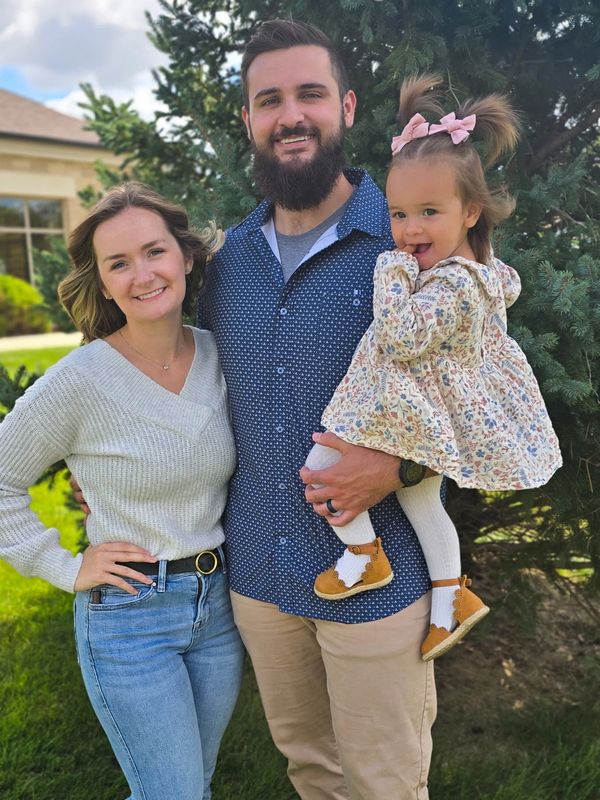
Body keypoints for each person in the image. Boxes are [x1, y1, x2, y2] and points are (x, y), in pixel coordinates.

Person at [199, 19, 436, 800]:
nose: (290, 115)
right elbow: (183, 386)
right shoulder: (227, 262)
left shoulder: (406, 244)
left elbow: (479, 393)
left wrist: (400, 461)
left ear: (347, 106)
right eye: (269, 99)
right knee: (311, 771)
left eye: (310, 94)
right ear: (248, 120)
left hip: (379, 583)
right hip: (260, 577)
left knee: (385, 782)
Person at [0, 183, 245, 800]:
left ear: (186, 258)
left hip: (219, 612)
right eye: (119, 263)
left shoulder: (221, 355)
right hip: (132, 620)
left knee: (194, 785)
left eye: (154, 251)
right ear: (103, 282)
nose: (143, 274)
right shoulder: (80, 381)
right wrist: (62, 564)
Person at [308, 74, 562, 661]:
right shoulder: (465, 273)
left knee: (322, 470)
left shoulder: (452, 283)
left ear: (470, 211)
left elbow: (401, 336)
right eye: (398, 214)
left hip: (408, 412)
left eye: (428, 211)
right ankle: (451, 598)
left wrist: (388, 272)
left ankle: (363, 556)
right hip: (417, 414)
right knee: (424, 506)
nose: (409, 229)